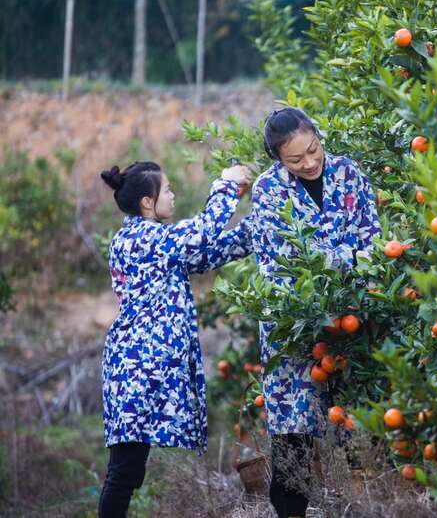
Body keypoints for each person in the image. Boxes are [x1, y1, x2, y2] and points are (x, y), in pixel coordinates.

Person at [98, 160, 252, 517]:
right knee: (124, 471)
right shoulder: (141, 238)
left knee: (129, 468)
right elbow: (200, 233)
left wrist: (254, 229)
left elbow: (205, 253)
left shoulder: (156, 242)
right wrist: (227, 184)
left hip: (140, 367)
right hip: (135, 368)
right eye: (167, 189)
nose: (173, 194)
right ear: (147, 203)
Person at [251, 107, 381, 518]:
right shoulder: (267, 190)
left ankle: (367, 507)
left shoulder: (350, 175)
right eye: (295, 159)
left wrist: (347, 271)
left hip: (348, 326)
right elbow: (277, 264)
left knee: (359, 432)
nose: (309, 163)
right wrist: (346, 261)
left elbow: (373, 244)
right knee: (294, 439)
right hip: (295, 332)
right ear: (277, 159)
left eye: (313, 150)